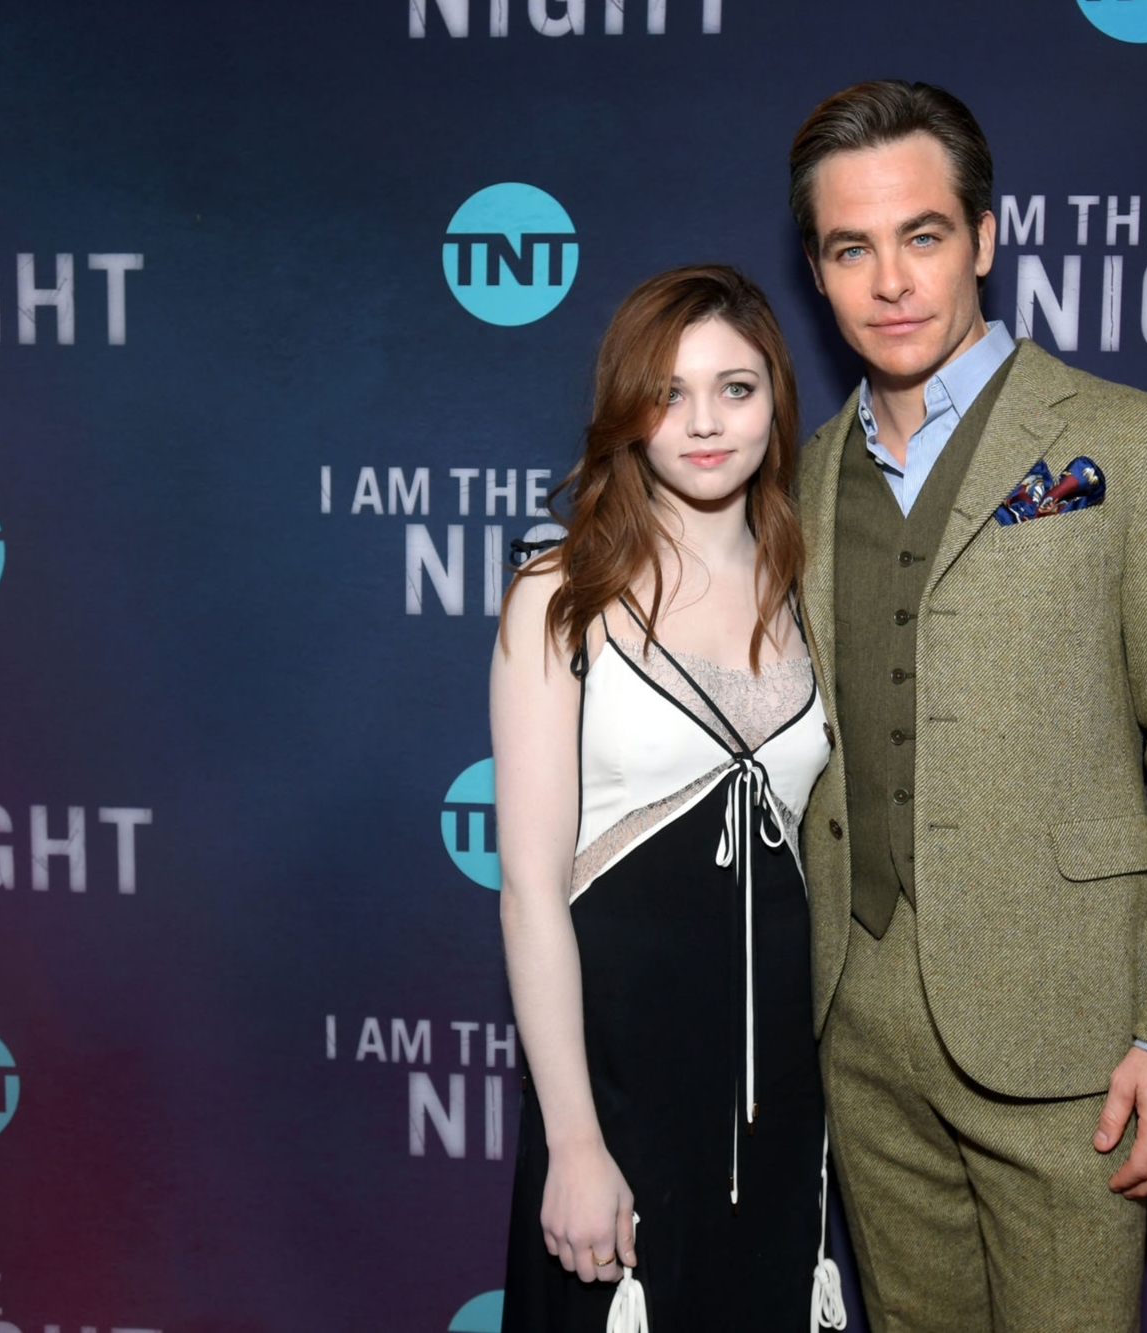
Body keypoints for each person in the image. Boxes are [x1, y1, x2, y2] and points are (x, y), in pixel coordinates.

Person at [788, 82, 1147, 1331]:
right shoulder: (798, 478)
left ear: (985, 238)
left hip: (1068, 1038)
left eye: (922, 235)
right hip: (856, 1026)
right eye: (851, 248)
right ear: (818, 272)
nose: (892, 281)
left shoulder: (1126, 440)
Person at [493, 266, 845, 1331]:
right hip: (619, 1090)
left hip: (786, 1096)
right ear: (626, 409)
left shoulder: (815, 585)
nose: (704, 422)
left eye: (735, 388)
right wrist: (575, 1142)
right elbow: (529, 890)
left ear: (776, 401)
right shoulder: (561, 594)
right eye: (669, 392)